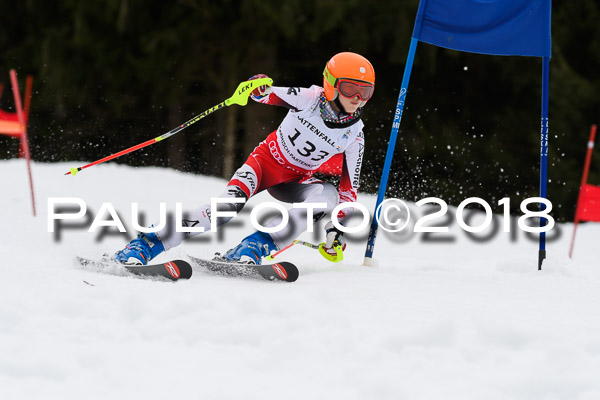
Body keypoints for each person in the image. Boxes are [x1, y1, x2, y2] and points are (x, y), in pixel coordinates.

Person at [112, 52, 375, 265]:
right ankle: (148, 242)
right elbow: (265, 93)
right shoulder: (310, 98)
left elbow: (348, 193)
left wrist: (336, 228)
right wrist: (257, 84)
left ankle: (255, 245)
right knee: (226, 208)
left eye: (365, 92)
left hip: (296, 180)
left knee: (326, 196)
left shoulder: (355, 136)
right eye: (350, 88)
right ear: (331, 84)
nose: (357, 98)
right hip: (263, 164)